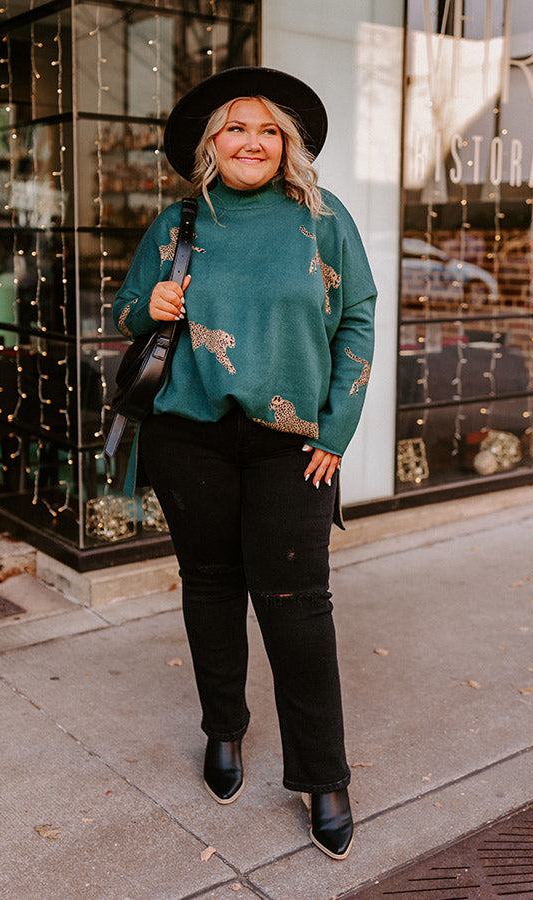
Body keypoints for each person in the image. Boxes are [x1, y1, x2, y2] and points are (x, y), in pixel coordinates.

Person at [112, 66, 376, 861]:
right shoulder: (178, 223)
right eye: (236, 128)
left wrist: (336, 430)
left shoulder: (323, 221)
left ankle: (323, 776)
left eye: (268, 130)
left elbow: (358, 320)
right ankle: (223, 729)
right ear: (211, 145)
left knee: (297, 605)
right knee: (211, 587)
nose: (252, 142)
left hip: (291, 444)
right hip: (188, 436)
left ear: (287, 145)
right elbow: (125, 312)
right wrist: (150, 305)